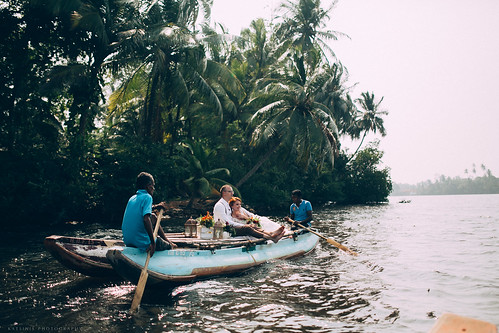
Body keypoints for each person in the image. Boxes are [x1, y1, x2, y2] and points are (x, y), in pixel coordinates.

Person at [121, 172, 176, 257]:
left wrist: (156, 206)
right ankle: (169, 244)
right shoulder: (147, 197)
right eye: (153, 186)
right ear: (148, 186)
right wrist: (152, 243)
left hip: (128, 241)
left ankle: (167, 240)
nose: (153, 188)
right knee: (168, 247)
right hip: (142, 242)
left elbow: (142, 210)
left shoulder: (132, 198)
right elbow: (146, 219)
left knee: (153, 216)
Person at [213, 185, 285, 243]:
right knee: (247, 228)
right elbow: (226, 222)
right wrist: (243, 225)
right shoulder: (220, 205)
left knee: (253, 226)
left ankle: (270, 233)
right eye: (230, 192)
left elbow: (230, 219)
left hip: (231, 226)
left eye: (232, 192)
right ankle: (271, 238)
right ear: (224, 193)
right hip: (226, 229)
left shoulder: (227, 204)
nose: (232, 193)